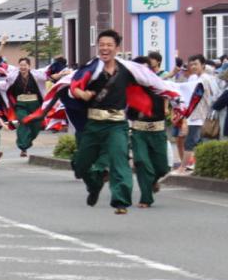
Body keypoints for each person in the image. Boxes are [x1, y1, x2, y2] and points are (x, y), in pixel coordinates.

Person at [69, 29, 179, 214]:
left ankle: (121, 200)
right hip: (94, 124)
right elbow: (74, 85)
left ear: (117, 48)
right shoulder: (91, 68)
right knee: (81, 166)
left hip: (117, 124)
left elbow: (154, 83)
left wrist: (177, 100)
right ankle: (94, 185)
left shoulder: (128, 69)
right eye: (102, 45)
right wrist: (82, 93)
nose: (105, 48)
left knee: (119, 159)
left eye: (109, 45)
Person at [128, 55, 169, 208]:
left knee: (162, 167)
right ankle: (146, 198)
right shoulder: (130, 88)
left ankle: (152, 182)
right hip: (139, 132)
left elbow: (175, 97)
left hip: (158, 130)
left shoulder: (159, 85)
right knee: (143, 163)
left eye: (146, 68)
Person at [175, 54, 219, 173]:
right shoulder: (196, 78)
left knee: (190, 142)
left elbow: (214, 96)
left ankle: (182, 167)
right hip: (195, 115)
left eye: (196, 64)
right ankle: (198, 166)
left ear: (203, 65)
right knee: (197, 143)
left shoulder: (205, 79)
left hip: (199, 116)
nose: (193, 66)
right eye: (191, 64)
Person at [5, 57, 48, 156]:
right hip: (21, 104)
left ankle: (27, 142)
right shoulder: (13, 76)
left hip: (35, 104)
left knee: (36, 126)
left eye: (25, 65)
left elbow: (48, 76)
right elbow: (5, 76)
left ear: (29, 66)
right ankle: (23, 147)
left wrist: (60, 74)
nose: (23, 67)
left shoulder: (36, 75)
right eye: (21, 65)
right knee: (24, 121)